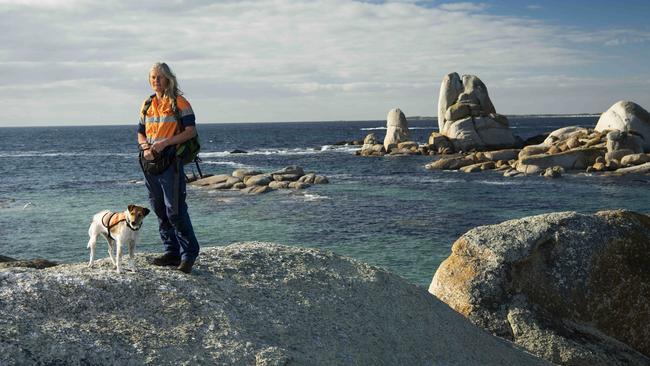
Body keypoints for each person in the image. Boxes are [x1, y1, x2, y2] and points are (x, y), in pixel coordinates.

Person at [137, 62, 200, 274]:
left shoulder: (180, 102)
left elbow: (190, 131)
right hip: (150, 162)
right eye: (153, 77)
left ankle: (188, 254)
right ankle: (171, 252)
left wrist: (164, 143)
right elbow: (140, 132)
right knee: (159, 209)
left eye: (160, 77)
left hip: (171, 162)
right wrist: (145, 146)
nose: (156, 81)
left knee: (175, 210)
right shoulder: (147, 103)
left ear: (168, 79)